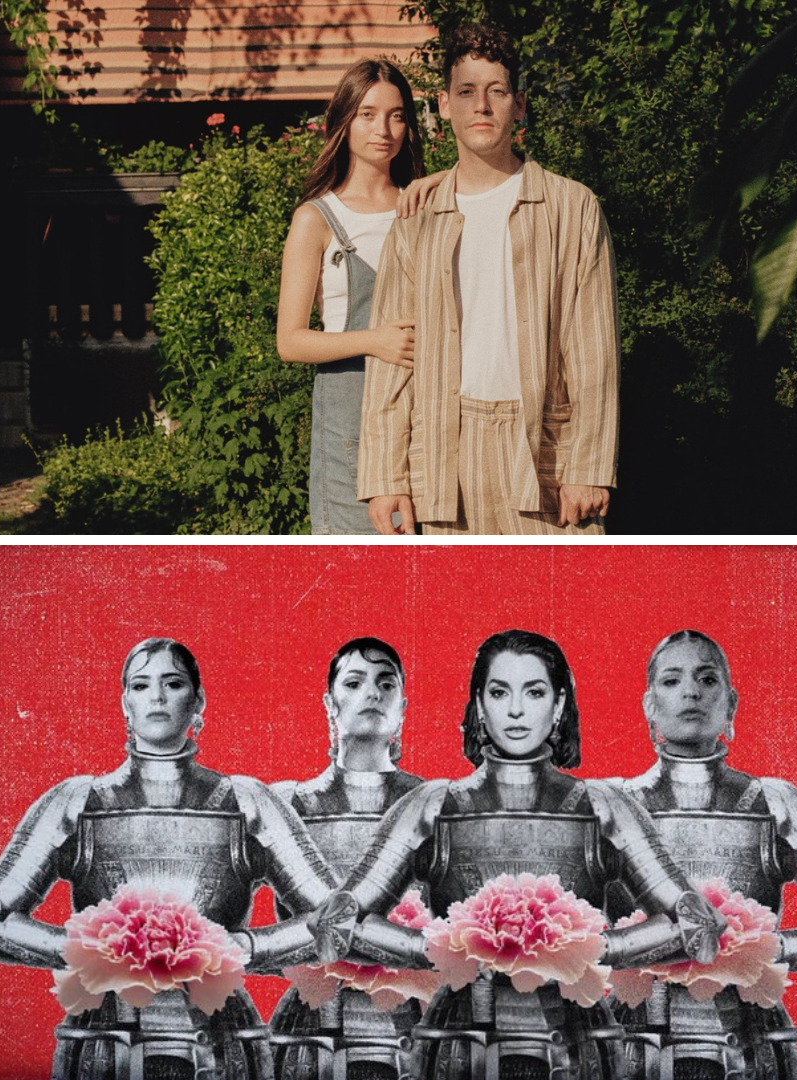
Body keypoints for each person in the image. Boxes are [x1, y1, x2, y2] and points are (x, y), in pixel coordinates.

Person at [311, 630, 723, 1079]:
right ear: (479, 705)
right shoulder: (432, 805)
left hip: (577, 1049)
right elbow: (338, 922)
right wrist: (448, 947)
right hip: (459, 1050)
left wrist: (589, 947)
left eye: (535, 691)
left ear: (559, 705)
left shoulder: (603, 806)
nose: (516, 710)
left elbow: (696, 923)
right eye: (500, 691)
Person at [0, 638, 340, 1080]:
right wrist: (88, 950)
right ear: (125, 702)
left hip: (220, 1044)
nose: (156, 697)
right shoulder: (78, 801)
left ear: (198, 699)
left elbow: (337, 918)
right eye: (141, 685)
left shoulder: (245, 801)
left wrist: (245, 947)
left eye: (173, 683)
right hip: (103, 1042)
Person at [605, 631, 797, 1080]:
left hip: (751, 1049)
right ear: (649, 705)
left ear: (731, 703)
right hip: (631, 1048)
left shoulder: (774, 803)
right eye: (672, 681)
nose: (691, 692)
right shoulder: (611, 803)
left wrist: (762, 948)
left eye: (707, 680)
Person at [358, 24, 620, 536]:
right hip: (439, 459)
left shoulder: (572, 208)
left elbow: (593, 350)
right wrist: (386, 474)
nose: (481, 106)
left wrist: (588, 466)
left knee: (555, 610)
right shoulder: (416, 218)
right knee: (448, 611)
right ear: (444, 103)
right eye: (466, 92)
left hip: (542, 457)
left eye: (496, 92)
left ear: (518, 104)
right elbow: (394, 358)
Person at [276, 60, 444, 535]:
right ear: (343, 121)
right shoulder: (316, 219)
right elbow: (290, 342)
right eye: (368, 114)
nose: (383, 130)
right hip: (348, 428)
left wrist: (445, 179)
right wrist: (375, 341)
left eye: (396, 115)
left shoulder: (426, 206)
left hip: (426, 419)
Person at [266, 638, 426, 1080]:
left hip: (411, 1028)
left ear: (402, 707)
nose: (371, 693)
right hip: (308, 1033)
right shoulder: (287, 804)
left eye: (385, 683)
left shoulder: (433, 803)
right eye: (354, 682)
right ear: (329, 702)